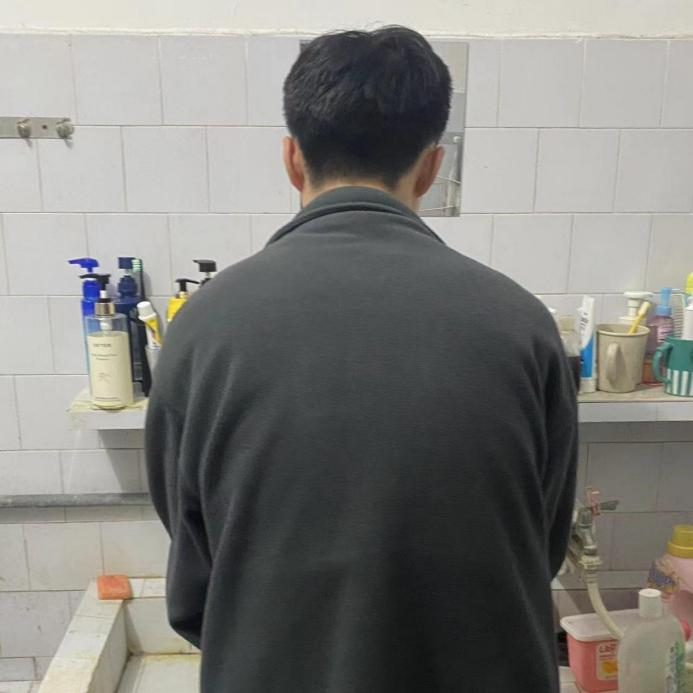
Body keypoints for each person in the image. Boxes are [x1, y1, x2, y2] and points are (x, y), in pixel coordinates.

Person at [145, 26, 578, 693]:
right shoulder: (522, 325)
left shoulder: (202, 327)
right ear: (431, 168)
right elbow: (539, 544)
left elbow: (196, 565)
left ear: (292, 159)